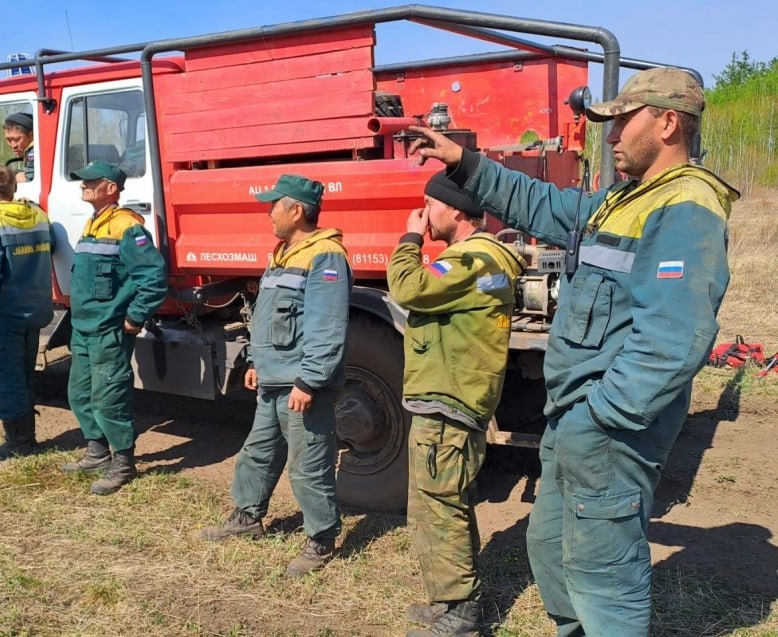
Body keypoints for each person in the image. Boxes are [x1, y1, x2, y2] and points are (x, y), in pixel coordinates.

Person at [408, 67, 739, 636]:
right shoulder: (623, 200)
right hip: (574, 419)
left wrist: (601, 419)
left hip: (609, 425)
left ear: (666, 123)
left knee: (602, 569)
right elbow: (542, 204)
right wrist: (465, 164)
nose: (609, 138)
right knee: (553, 544)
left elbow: (673, 338)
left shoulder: (686, 206)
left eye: (621, 122)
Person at [387, 171, 525, 637]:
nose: (426, 214)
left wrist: (409, 236)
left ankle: (461, 612)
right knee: (437, 503)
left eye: (430, 206)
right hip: (450, 397)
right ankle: (447, 598)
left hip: (448, 403)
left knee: (441, 504)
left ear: (456, 212)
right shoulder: (481, 260)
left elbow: (409, 288)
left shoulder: (471, 261)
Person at [201, 174, 352, 578]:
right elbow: (270, 315)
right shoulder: (284, 251)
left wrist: (310, 381)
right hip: (272, 378)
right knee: (258, 452)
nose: (269, 212)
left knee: (309, 464)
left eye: (274, 205)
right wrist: (255, 362)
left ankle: (321, 538)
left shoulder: (325, 255)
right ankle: (247, 516)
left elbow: (328, 326)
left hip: (299, 384)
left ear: (297, 210)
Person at [62, 161, 167, 495]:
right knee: (80, 393)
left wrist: (135, 317)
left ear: (111, 187)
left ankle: (123, 461)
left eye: (90, 182)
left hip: (108, 329)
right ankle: (96, 452)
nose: (83, 186)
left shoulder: (126, 227)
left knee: (110, 397)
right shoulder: (94, 223)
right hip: (83, 328)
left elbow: (153, 278)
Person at [0, 165, 55, 461]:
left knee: (6, 379)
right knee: (23, 375)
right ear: (14, 189)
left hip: (3, 315)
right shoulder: (39, 216)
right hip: (35, 311)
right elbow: (50, 246)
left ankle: (18, 443)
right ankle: (26, 436)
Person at [3, 112, 36, 183]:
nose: (13, 145)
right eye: (8, 140)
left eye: (17, 139)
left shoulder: (34, 153)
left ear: (31, 135)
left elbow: (29, 180)